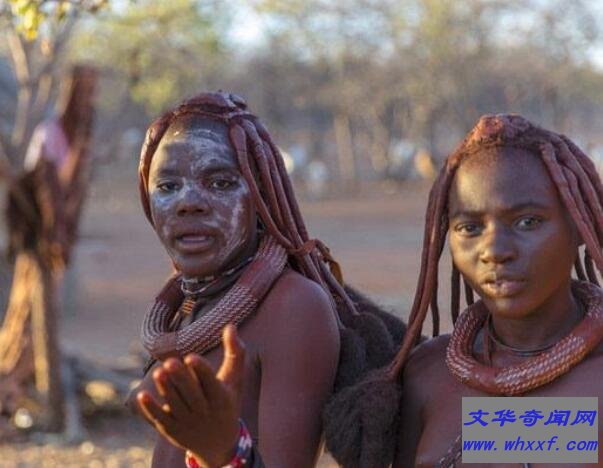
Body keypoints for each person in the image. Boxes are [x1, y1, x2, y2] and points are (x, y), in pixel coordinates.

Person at [128, 91, 404, 467]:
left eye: (220, 183)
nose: (188, 202)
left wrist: (225, 451)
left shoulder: (293, 306)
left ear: (261, 196)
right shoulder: (193, 303)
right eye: (167, 186)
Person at [389, 114, 603, 467]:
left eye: (527, 222)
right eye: (470, 228)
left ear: (579, 226)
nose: (494, 250)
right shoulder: (428, 375)